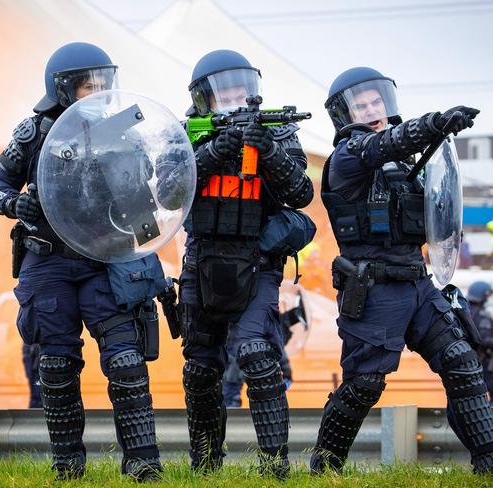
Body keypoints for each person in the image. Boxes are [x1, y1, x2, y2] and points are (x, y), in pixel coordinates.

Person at [0, 42, 164, 481]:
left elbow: (147, 196)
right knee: (57, 364)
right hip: (48, 260)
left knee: (125, 359)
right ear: (63, 88)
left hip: (106, 259)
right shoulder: (33, 132)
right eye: (88, 85)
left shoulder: (123, 131)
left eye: (104, 82)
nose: (98, 91)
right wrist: (15, 203)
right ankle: (68, 465)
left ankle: (143, 463)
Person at [310, 66, 493, 474]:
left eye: (377, 101)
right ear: (345, 113)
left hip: (418, 284)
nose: (372, 109)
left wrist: (433, 132)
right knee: (364, 385)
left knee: (462, 362)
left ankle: (488, 460)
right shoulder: (348, 157)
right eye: (361, 104)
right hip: (374, 290)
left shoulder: (407, 162)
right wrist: (434, 123)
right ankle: (324, 468)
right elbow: (384, 145)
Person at [168, 49, 313, 477]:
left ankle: (275, 466)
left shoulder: (278, 131)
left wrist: (267, 151)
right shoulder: (184, 134)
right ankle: (206, 465)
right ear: (203, 99)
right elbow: (166, 189)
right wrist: (214, 151)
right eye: (223, 93)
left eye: (240, 91)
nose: (233, 99)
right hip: (201, 262)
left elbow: (301, 193)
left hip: (258, 263)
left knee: (256, 353)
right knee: (199, 368)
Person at [468, 281, 493, 400]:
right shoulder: (481, 314)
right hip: (483, 360)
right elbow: (485, 339)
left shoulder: (465, 311)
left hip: (469, 360)